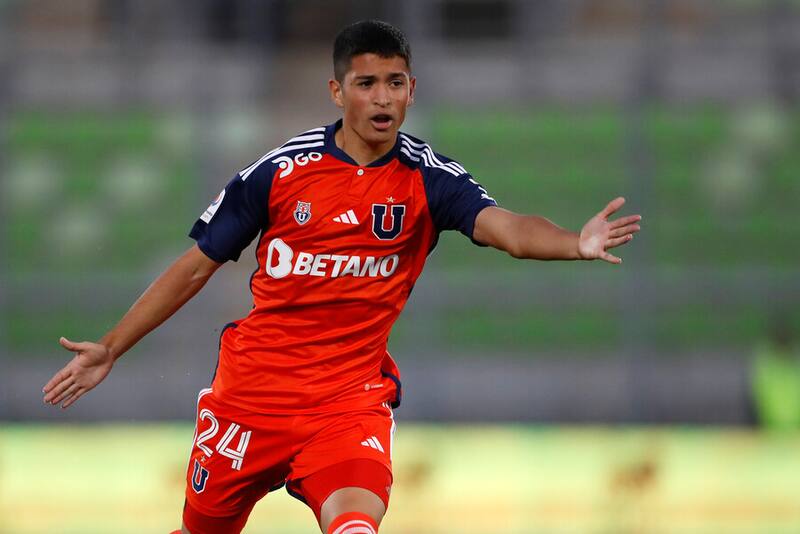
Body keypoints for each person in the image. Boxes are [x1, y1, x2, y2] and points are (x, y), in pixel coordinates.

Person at [42, 19, 642, 534]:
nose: (383, 98)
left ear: (412, 91)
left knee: (355, 524)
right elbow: (196, 267)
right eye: (366, 83)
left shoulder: (428, 178)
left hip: (346, 404)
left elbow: (505, 228)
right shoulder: (278, 173)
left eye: (395, 83)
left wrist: (575, 243)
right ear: (337, 91)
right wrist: (112, 347)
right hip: (251, 399)